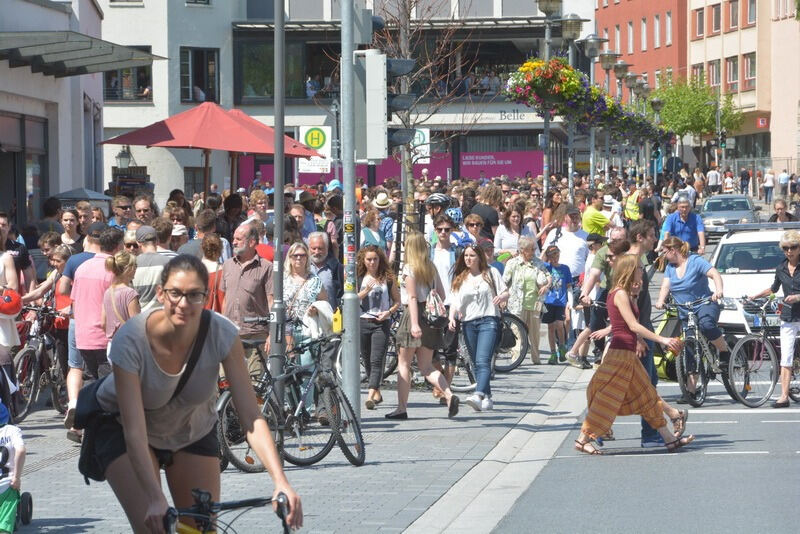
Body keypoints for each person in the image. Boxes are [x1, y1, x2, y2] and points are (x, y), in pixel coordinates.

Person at [90, 255, 302, 531]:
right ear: (160, 293)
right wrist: (155, 497)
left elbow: (251, 416)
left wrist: (280, 481)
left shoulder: (221, 333)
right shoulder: (131, 340)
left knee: (200, 527)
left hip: (190, 428)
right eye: (175, 293)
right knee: (154, 524)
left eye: (194, 295)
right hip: (124, 430)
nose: (183, 303)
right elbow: (134, 430)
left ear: (206, 296)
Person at [574, 255, 694, 454]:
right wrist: (663, 340)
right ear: (629, 269)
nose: (642, 271)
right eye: (639, 268)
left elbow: (623, 324)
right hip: (619, 354)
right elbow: (632, 325)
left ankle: (669, 439)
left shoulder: (625, 293)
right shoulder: (620, 293)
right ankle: (582, 439)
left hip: (627, 353)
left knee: (647, 396)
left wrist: (637, 337)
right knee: (607, 398)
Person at [386, 232, 459, 420]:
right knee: (427, 367)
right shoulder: (431, 267)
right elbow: (442, 294)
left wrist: (415, 324)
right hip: (430, 317)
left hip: (413, 316)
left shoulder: (410, 268)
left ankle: (401, 408)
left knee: (404, 364)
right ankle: (449, 395)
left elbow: (411, 297)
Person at [655, 236, 730, 403]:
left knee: (706, 324)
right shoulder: (670, 267)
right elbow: (665, 286)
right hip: (685, 311)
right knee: (689, 348)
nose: (663, 255)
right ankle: (690, 390)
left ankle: (724, 351)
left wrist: (718, 291)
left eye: (665, 252)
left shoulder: (695, 261)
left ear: (673, 251)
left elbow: (714, 274)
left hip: (704, 303)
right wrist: (660, 300)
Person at [449, 244, 508, 412]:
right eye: (466, 255)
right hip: (468, 323)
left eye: (472, 255)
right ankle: (488, 397)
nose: (468, 258)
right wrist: (451, 317)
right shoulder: (461, 277)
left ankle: (479, 394)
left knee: (483, 360)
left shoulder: (491, 273)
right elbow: (454, 300)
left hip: (488, 320)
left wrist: (501, 297)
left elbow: (505, 291)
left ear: (479, 257)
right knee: (475, 362)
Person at [747, 230, 800, 408]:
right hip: (789, 316)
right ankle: (784, 396)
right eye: (786, 248)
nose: (789, 251)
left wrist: (797, 297)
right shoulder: (781, 268)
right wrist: (755, 296)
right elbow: (773, 289)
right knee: (786, 357)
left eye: (793, 247)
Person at [222, 223, 274, 379]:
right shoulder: (228, 265)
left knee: (255, 384)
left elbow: (271, 301)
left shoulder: (266, 267)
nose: (234, 242)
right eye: (234, 238)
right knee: (224, 381)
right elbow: (225, 299)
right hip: (231, 335)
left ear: (252, 242)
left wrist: (271, 333)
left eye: (238, 239)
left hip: (256, 336)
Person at [357, 245, 400, 410]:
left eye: (375, 259)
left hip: (380, 323)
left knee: (376, 360)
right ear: (363, 260)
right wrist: (364, 292)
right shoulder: (359, 278)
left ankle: (370, 395)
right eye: (369, 259)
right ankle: (377, 392)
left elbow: (397, 301)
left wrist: (388, 312)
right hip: (362, 321)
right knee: (366, 359)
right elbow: (351, 299)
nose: (372, 262)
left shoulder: (387, 278)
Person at [502, 237, 551, 365]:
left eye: (535, 248)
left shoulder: (538, 263)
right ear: (522, 250)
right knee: (516, 331)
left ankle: (536, 357)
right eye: (532, 249)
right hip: (517, 303)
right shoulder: (512, 263)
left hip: (535, 303)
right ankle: (515, 359)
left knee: (534, 333)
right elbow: (504, 282)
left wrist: (546, 286)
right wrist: (503, 296)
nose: (534, 251)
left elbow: (548, 276)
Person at [101, 250, 140, 350]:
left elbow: (103, 323)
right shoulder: (130, 293)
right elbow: (135, 325)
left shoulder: (108, 292)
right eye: (135, 265)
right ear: (129, 269)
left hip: (112, 345)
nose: (136, 268)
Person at [542, 245, 572, 365]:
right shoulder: (545, 267)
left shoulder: (565, 268)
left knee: (560, 324)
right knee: (550, 327)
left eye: (557, 256)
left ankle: (562, 346)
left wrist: (570, 302)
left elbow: (569, 286)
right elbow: (539, 259)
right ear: (548, 257)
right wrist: (546, 251)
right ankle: (553, 353)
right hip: (549, 301)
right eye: (552, 256)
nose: (555, 259)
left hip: (561, 302)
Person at [131, 225, 170, 314]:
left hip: (141, 318)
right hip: (163, 316)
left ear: (138, 243)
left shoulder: (132, 264)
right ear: (157, 241)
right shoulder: (169, 262)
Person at [0, 402, 25, 534]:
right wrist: (16, 477)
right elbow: (20, 451)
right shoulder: (12, 431)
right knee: (4, 527)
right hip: (7, 485)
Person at [308, 232, 342, 311]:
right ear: (308, 248)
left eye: (320, 248)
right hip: (307, 319)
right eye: (313, 248)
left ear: (327, 248)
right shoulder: (303, 267)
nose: (316, 252)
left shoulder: (336, 268)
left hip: (330, 317)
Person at [201, 234, 224, 313]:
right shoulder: (224, 272)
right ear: (220, 250)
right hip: (217, 318)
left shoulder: (194, 271)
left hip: (198, 319)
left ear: (202, 248)